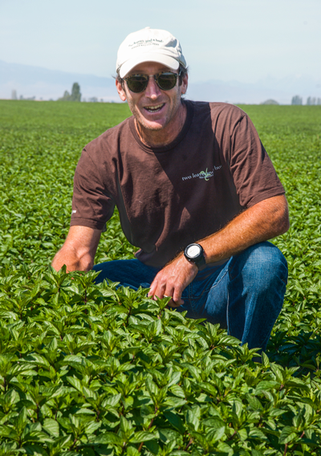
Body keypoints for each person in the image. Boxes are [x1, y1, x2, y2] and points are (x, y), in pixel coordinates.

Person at [52, 27, 289, 352]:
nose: (152, 93)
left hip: (222, 278)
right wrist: (50, 301)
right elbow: (77, 251)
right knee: (95, 284)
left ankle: (243, 365)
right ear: (121, 89)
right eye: (138, 81)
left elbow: (274, 211)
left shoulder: (225, 125)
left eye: (164, 79)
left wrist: (192, 258)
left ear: (183, 82)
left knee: (264, 264)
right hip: (152, 280)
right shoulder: (101, 155)